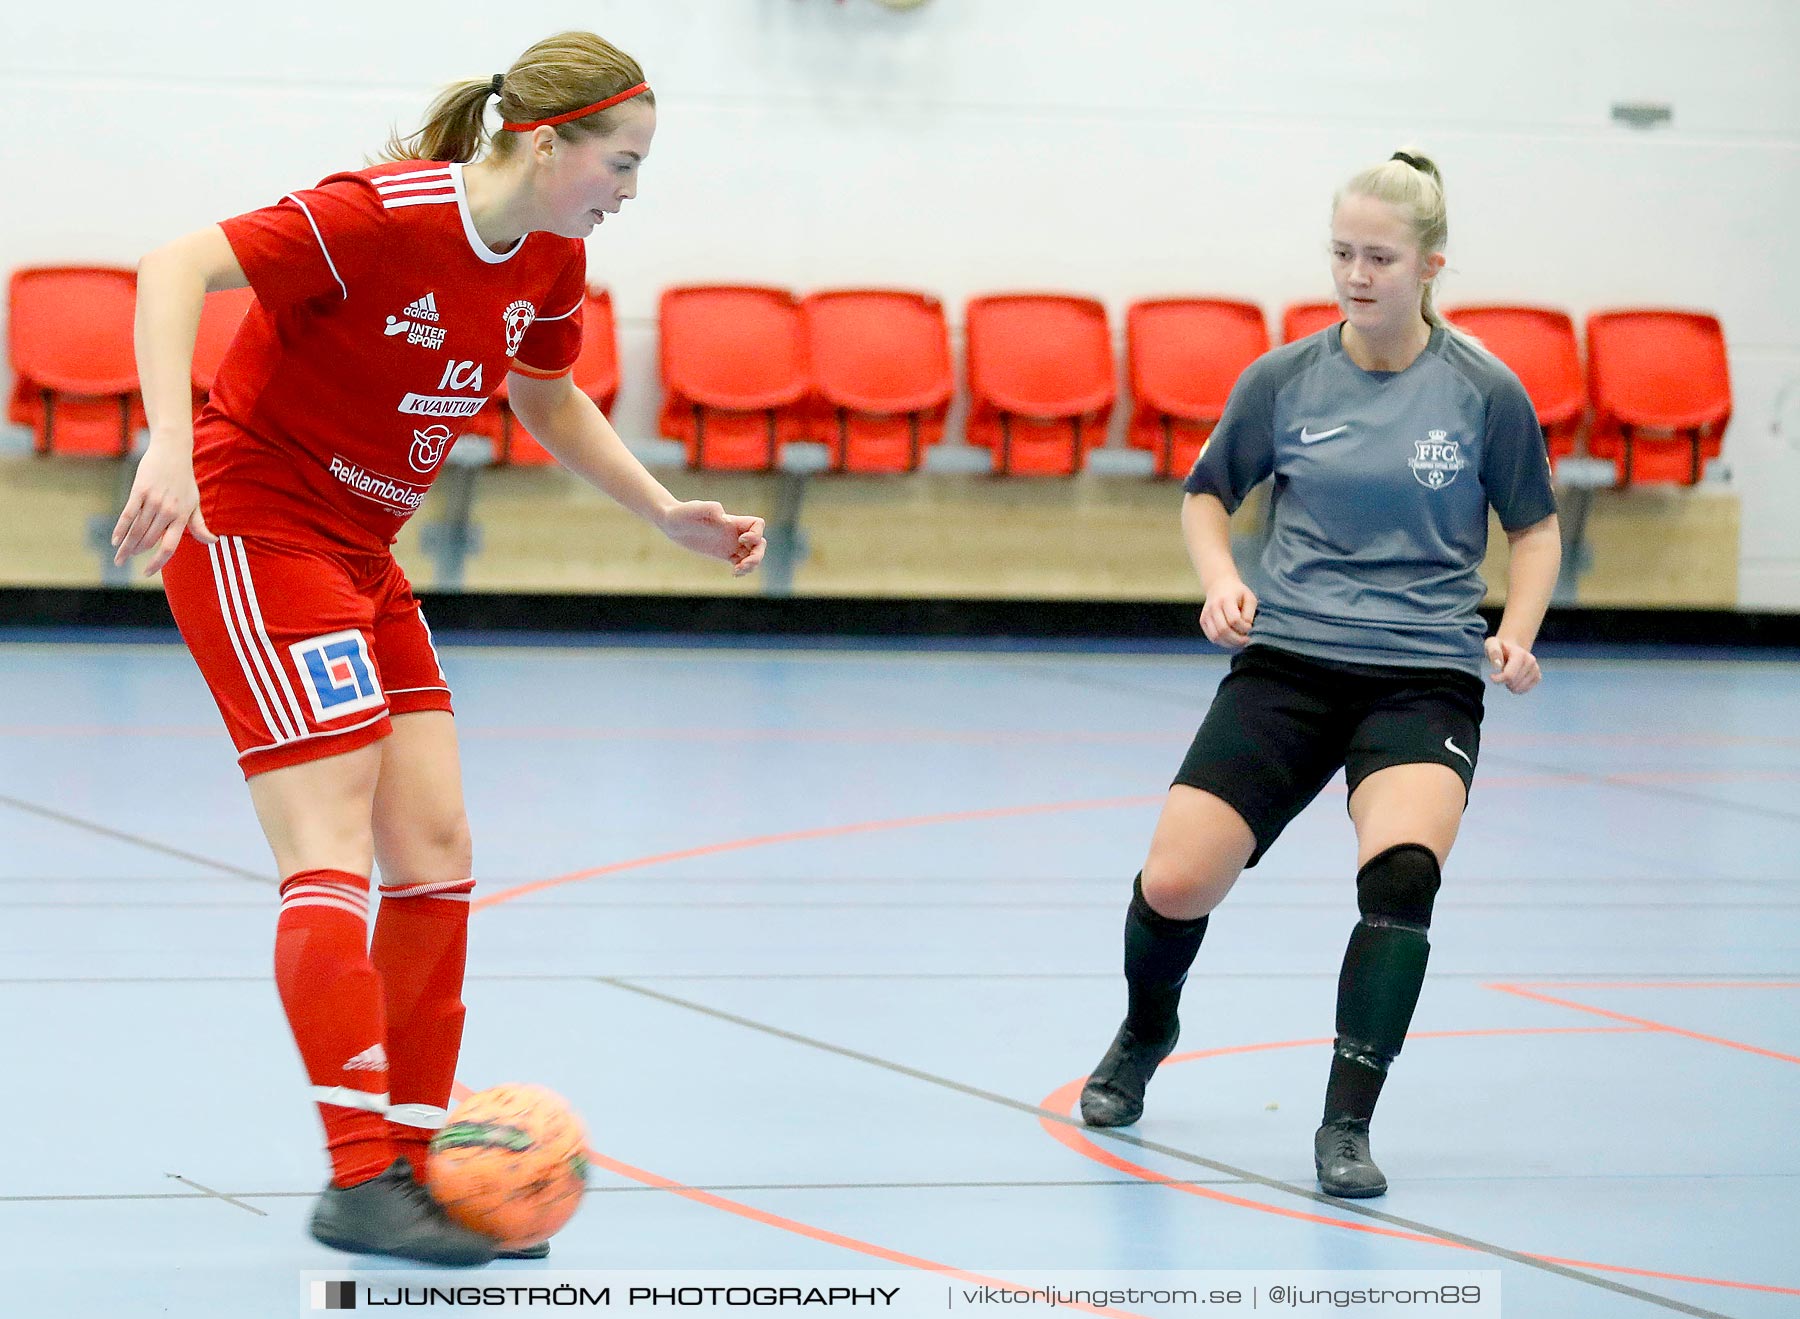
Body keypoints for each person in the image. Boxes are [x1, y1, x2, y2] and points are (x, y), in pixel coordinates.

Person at [110, 31, 765, 1265]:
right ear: (545, 138)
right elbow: (173, 265)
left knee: (438, 849)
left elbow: (546, 391)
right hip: (256, 531)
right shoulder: (382, 215)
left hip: (365, 551)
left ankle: (422, 1161)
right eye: (620, 163)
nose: (630, 191)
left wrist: (662, 509)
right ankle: (358, 1177)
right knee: (331, 844)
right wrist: (167, 441)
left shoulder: (552, 254)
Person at [1077, 150, 1561, 1199]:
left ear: (1431, 263)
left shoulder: (1484, 390)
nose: (1356, 272)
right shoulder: (1284, 378)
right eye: (1341, 251)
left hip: (1422, 675)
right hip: (1290, 660)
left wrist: (1516, 631)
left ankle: (1346, 1123)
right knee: (1176, 878)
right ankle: (1143, 1029)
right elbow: (1210, 495)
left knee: (1402, 876)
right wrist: (1220, 581)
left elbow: (1534, 528)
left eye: (1379, 256)